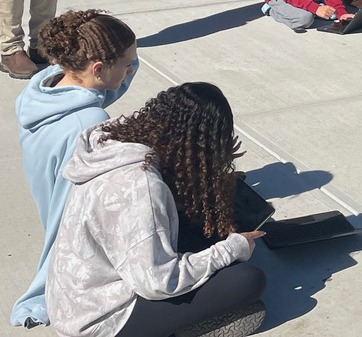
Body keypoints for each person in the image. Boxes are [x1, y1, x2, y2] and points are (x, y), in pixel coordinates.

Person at [46, 82, 267, 337]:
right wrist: (230, 250)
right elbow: (157, 282)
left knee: (205, 236)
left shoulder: (115, 141)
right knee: (247, 279)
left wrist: (214, 172)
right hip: (99, 320)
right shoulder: (143, 187)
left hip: (74, 296)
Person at [12, 10, 138, 328]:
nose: (131, 70)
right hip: (71, 227)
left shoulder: (44, 88)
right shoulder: (89, 123)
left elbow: (102, 84)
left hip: (47, 194)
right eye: (127, 65)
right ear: (98, 68)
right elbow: (71, 217)